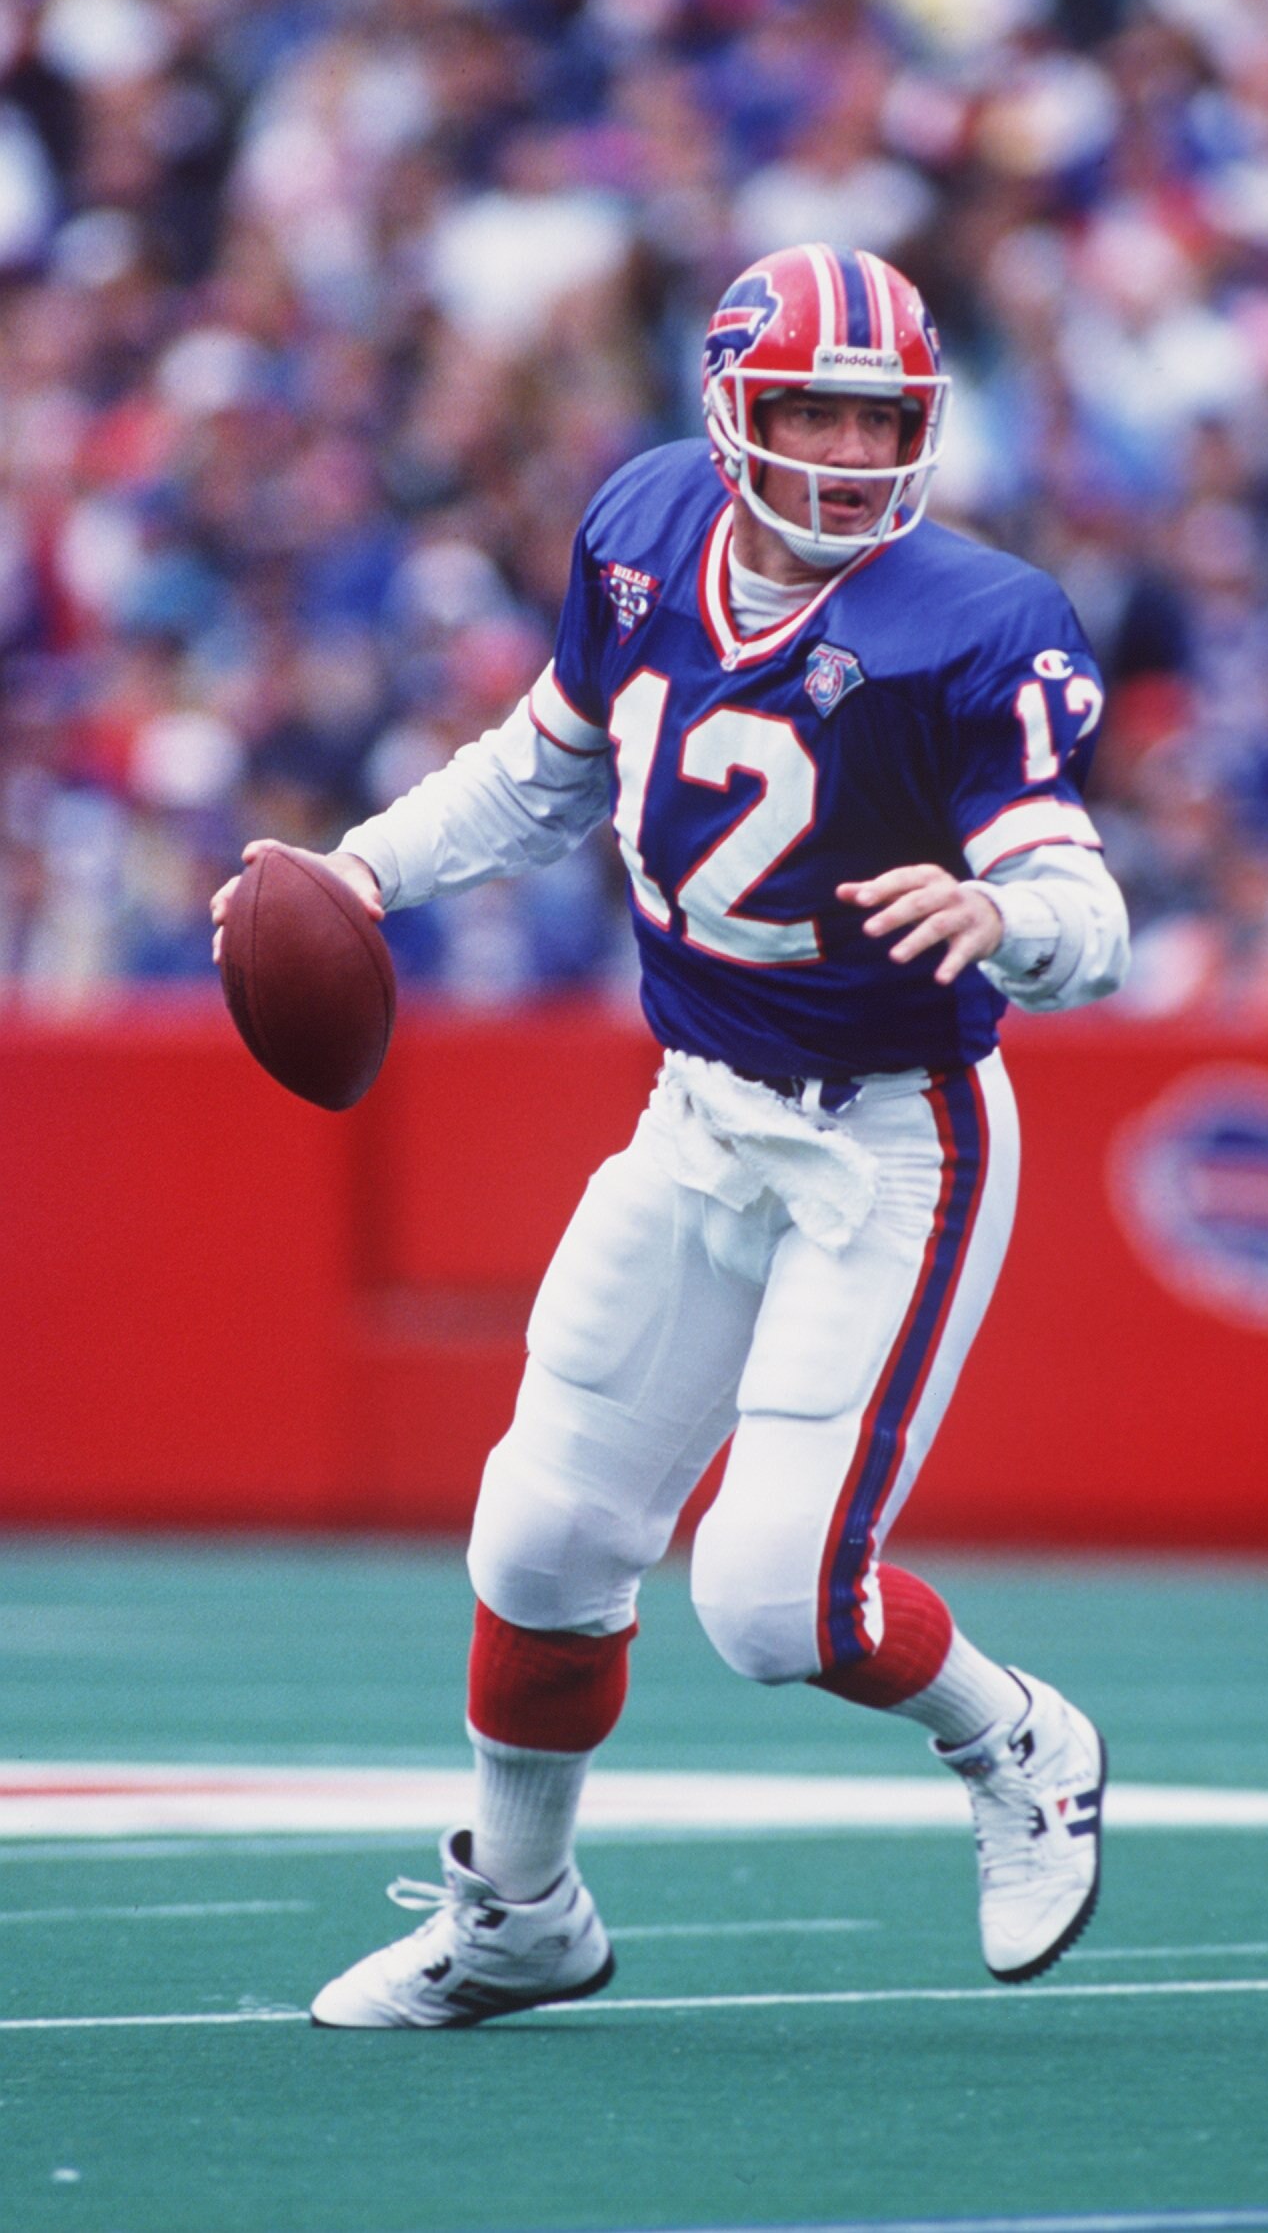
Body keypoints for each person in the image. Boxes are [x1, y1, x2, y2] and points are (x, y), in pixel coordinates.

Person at [212, 242, 1130, 2027]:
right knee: (541, 1540)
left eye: (882, 418)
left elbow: (1081, 902)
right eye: (813, 411)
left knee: (776, 1605)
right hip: (697, 1111)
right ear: (730, 413)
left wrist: (1007, 917)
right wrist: (361, 873)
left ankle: (1020, 1742)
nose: (853, 452)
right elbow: (545, 764)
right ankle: (518, 1914)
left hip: (890, 1139)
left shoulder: (976, 620)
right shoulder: (641, 531)